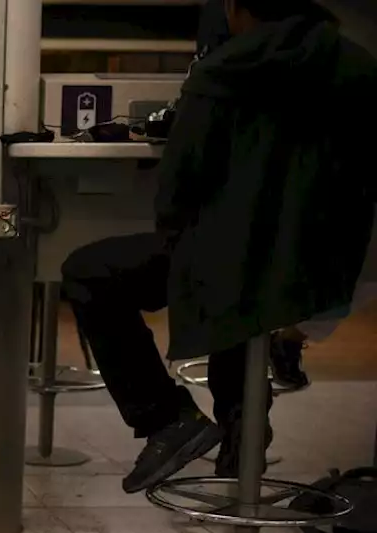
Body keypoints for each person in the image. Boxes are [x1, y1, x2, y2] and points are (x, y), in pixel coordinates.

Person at [61, 0, 377, 494]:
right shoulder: (361, 65)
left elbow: (181, 186)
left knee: (91, 270)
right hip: (324, 271)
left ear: (233, 8)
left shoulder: (223, 71)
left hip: (242, 268)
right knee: (242, 284)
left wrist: (185, 234)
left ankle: (165, 419)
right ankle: (242, 437)